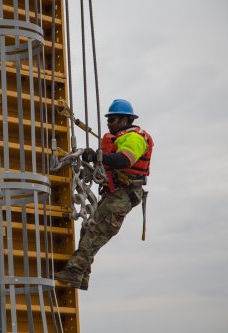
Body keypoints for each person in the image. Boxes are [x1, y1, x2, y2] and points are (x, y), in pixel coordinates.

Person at [55, 99, 154, 290]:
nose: (109, 123)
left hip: (124, 193)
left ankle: (75, 271)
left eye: (114, 119)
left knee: (96, 231)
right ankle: (82, 276)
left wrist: (98, 156)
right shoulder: (118, 138)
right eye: (108, 119)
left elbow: (124, 160)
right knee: (89, 228)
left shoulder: (134, 138)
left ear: (126, 119)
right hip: (115, 192)